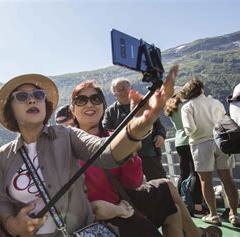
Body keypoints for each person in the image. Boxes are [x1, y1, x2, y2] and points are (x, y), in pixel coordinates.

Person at [0, 66, 177, 236]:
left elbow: (104, 152)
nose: (32, 99)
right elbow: (0, 199)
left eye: (38, 95)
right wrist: (11, 224)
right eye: (22, 97)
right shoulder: (2, 156)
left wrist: (136, 128)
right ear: (11, 109)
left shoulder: (67, 135)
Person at [71, 80, 221, 237]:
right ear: (72, 109)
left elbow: (132, 183)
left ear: (102, 105)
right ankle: (197, 234)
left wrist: (132, 154)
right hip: (96, 215)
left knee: (173, 211)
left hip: (122, 200)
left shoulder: (112, 138)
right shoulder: (66, 144)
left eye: (96, 99)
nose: (89, 104)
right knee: (167, 191)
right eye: (81, 100)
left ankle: (196, 234)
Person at [180, 79, 240, 227]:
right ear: (201, 89)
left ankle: (213, 215)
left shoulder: (188, 107)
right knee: (228, 179)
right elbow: (226, 121)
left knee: (206, 181)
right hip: (222, 142)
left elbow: (190, 129)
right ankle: (234, 215)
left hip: (201, 144)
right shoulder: (216, 103)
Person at [103, 78, 167, 181]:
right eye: (117, 90)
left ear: (131, 88)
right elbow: (106, 132)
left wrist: (160, 135)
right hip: (126, 159)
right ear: (114, 94)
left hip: (149, 154)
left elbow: (158, 125)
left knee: (160, 183)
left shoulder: (143, 104)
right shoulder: (110, 112)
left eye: (123, 88)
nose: (121, 92)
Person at [164, 87, 205, 216]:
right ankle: (198, 207)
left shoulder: (171, 108)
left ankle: (179, 203)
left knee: (183, 173)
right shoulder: (186, 106)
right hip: (191, 140)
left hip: (179, 141)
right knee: (196, 173)